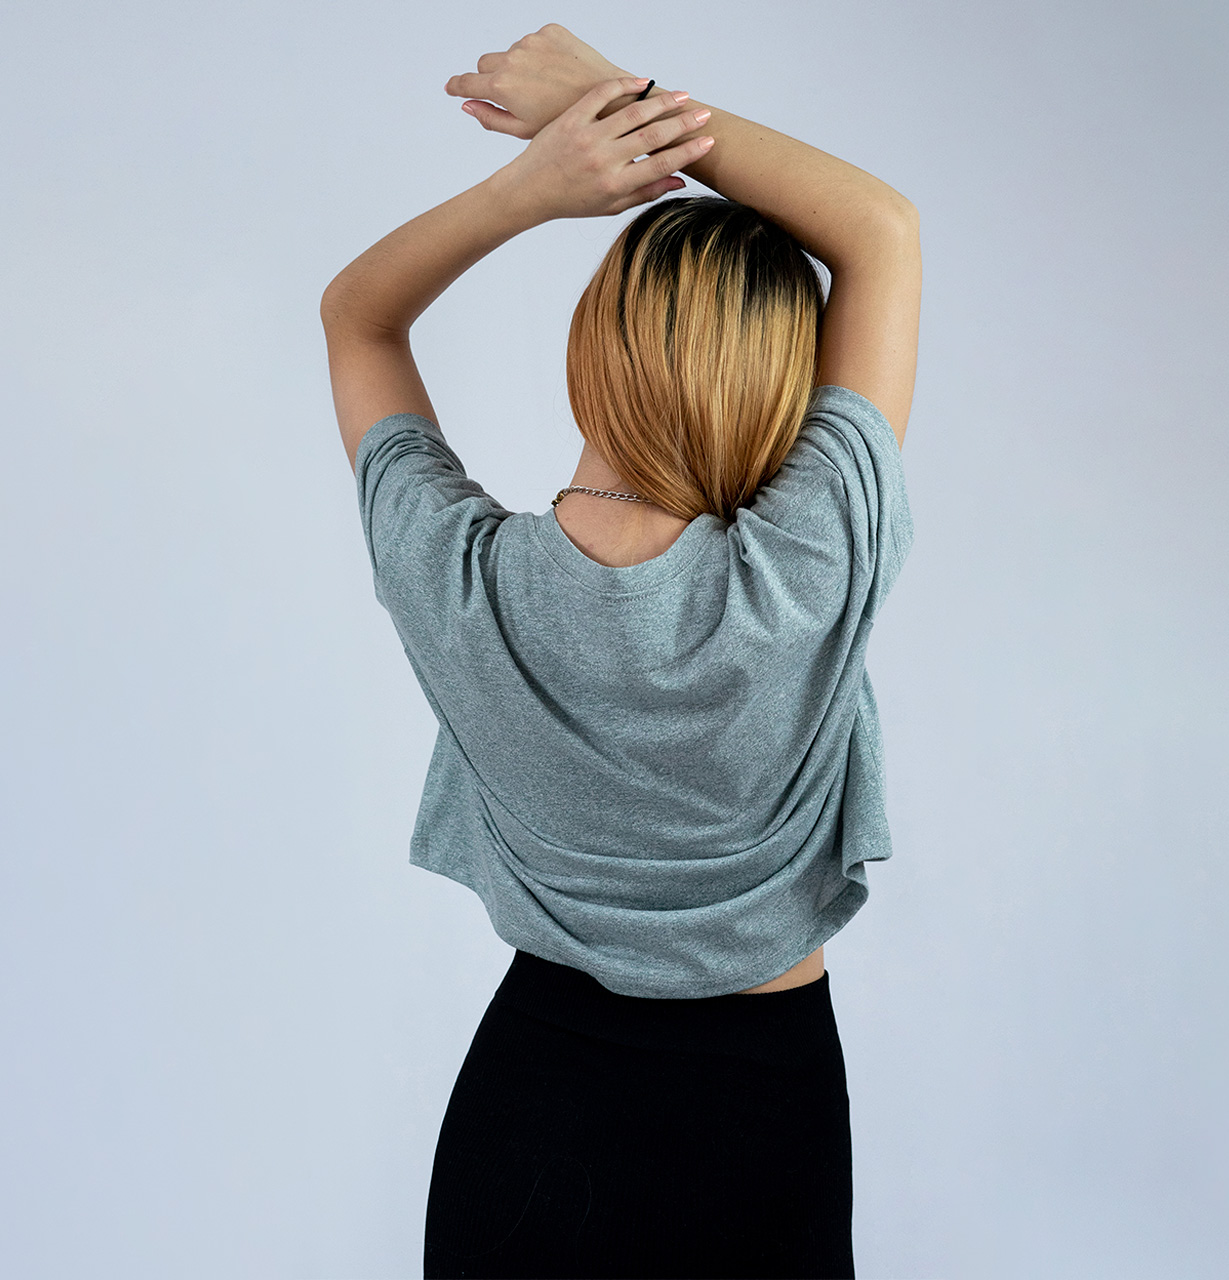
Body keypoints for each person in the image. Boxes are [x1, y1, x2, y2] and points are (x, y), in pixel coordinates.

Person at [321, 23, 920, 1280]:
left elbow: (357, 319)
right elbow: (877, 232)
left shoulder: (459, 578)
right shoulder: (804, 568)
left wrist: (535, 186)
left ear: (587, 345)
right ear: (788, 391)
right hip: (766, 1127)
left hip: (526, 1121)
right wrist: (611, 96)